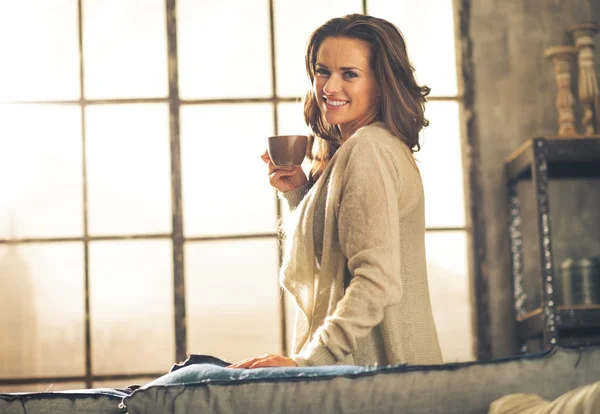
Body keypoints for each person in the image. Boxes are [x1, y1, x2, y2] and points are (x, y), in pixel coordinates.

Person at [228, 13, 442, 369]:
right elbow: (337, 256)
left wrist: (308, 362)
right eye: (322, 70)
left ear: (382, 83)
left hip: (381, 377)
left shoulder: (370, 148)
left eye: (350, 74)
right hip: (372, 373)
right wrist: (299, 194)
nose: (329, 87)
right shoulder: (358, 151)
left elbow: (376, 280)